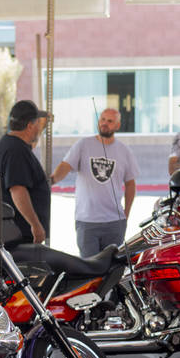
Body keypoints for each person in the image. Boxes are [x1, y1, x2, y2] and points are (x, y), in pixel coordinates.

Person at [50, 108, 140, 256]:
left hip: (114, 222)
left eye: (110, 121)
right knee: (88, 270)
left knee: (112, 270)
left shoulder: (124, 151)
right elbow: (65, 166)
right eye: (102, 120)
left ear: (117, 125)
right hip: (87, 221)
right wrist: (52, 179)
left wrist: (126, 214)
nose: (105, 124)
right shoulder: (83, 145)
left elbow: (130, 184)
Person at [0, 100, 52, 245]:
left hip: (16, 229)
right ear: (30, 126)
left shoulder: (11, 144)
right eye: (38, 123)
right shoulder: (15, 150)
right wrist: (35, 225)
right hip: (21, 232)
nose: (39, 127)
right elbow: (17, 190)